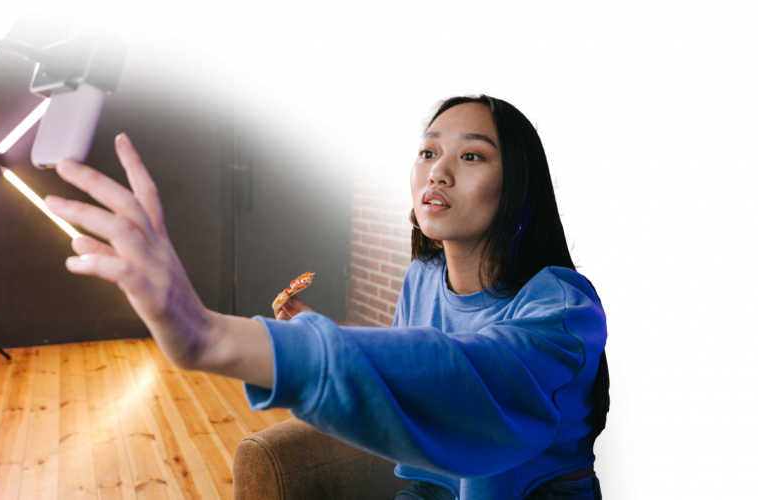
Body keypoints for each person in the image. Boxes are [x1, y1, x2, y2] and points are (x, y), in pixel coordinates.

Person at [44, 90, 609, 500]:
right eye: (428, 152)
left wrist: (213, 336)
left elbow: (465, 378)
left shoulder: (562, 308)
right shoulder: (420, 277)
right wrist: (326, 333)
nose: (437, 172)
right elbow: (403, 384)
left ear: (519, 187)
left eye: (471, 156)